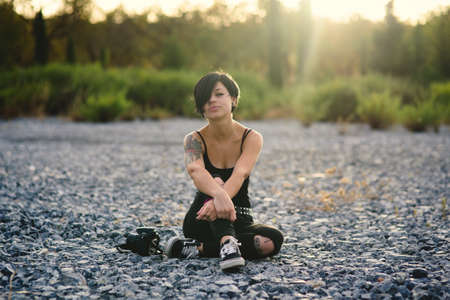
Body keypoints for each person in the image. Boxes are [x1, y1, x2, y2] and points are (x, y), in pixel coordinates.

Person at [165, 71, 283, 271]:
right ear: (200, 105)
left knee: (272, 241)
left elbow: (241, 174)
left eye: (219, 94)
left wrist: (219, 199)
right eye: (205, 98)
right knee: (216, 182)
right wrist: (218, 194)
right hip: (201, 217)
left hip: (241, 219)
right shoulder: (193, 139)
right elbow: (196, 171)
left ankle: (198, 249)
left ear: (234, 99)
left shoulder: (251, 137)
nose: (212, 100)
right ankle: (228, 245)